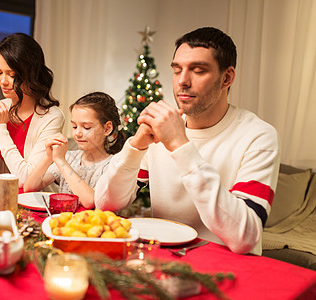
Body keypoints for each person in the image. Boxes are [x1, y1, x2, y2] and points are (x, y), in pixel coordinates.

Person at [94, 27, 280, 255]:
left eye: (198, 70)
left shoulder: (258, 135)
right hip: (160, 262)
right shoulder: (162, 126)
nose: (183, 81)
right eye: (177, 70)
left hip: (228, 270)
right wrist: (135, 147)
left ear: (227, 78)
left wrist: (180, 146)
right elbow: (106, 204)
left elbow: (246, 237)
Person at [0, 33, 65, 189]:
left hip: (32, 206)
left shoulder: (52, 116)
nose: (2, 81)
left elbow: (26, 180)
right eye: (0, 72)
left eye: (12, 74)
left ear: (31, 74)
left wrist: (0, 128)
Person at [24, 92, 125, 208]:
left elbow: (89, 201)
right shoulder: (70, 158)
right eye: (74, 126)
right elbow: (30, 187)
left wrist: (61, 161)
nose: (77, 133)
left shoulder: (113, 166)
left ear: (107, 128)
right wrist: (48, 157)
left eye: (86, 127)